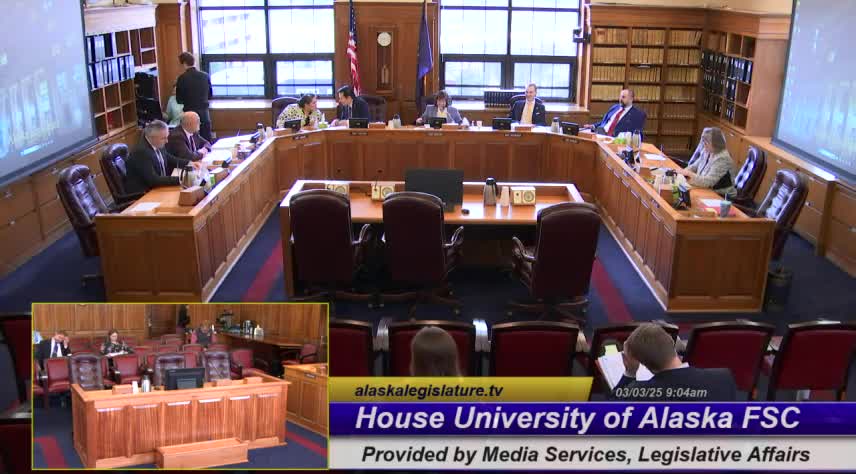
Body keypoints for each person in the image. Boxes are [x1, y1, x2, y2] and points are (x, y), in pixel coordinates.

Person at [611, 323, 737, 401]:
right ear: (673, 345)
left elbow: (612, 411)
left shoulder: (638, 393)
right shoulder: (723, 378)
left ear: (644, 364)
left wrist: (630, 372)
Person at [124, 120, 202, 195]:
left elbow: (169, 158)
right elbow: (154, 180)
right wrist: (183, 178)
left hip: (158, 188)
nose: (167, 141)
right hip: (144, 193)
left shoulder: (157, 144)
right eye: (164, 138)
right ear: (152, 137)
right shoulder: (141, 152)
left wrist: (189, 163)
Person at [675, 127, 738, 196]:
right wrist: (682, 173)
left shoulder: (722, 158)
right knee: (679, 191)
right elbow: (694, 166)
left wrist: (689, 174)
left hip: (721, 196)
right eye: (704, 142)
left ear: (716, 144)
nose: (704, 145)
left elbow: (708, 182)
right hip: (705, 188)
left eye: (706, 143)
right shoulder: (707, 151)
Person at [175, 52, 213, 141]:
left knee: (192, 141)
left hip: (189, 116)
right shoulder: (205, 76)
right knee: (206, 140)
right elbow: (210, 95)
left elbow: (179, 100)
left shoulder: (181, 78)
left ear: (184, 63)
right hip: (204, 114)